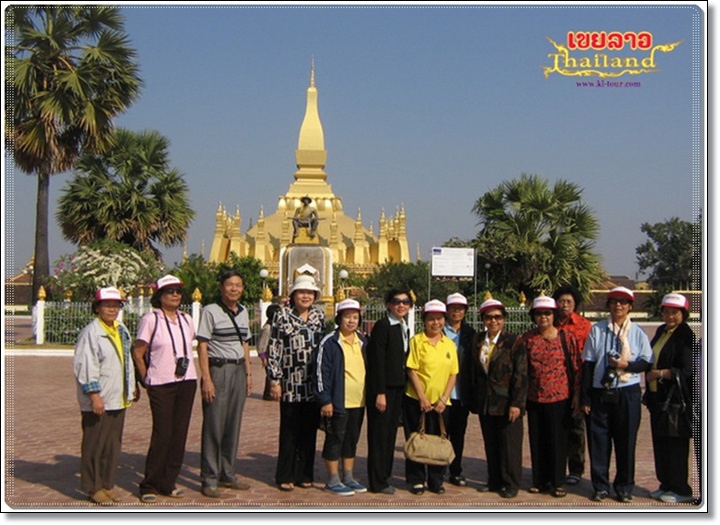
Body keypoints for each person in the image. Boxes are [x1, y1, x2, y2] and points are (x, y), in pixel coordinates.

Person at [581, 286, 653, 503]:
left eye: (623, 302)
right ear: (608, 306)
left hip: (627, 392)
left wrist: (626, 365)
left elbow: (645, 363)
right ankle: (600, 486)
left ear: (630, 306)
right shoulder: (597, 330)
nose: (618, 306)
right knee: (598, 441)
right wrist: (585, 397)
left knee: (626, 441)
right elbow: (589, 364)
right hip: (600, 392)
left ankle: (624, 487)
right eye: (614, 302)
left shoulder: (637, 333)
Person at [132, 274, 198, 503]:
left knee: (179, 434)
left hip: (187, 381)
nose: (175, 295)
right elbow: (138, 352)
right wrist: (145, 378)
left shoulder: (186, 319)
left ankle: (168, 482)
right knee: (162, 434)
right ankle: (149, 484)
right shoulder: (151, 319)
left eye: (178, 291)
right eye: (170, 291)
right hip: (160, 383)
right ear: (159, 296)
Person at [73, 287, 139, 504]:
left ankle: (106, 484)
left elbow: (126, 361)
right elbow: (86, 366)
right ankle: (93, 487)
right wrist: (94, 395)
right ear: (98, 307)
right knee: (95, 445)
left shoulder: (121, 329)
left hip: (117, 397)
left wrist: (132, 387)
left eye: (116, 305)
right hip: (100, 398)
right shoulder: (91, 333)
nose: (112, 309)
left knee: (112, 445)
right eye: (107, 305)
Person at [196, 270, 253, 498]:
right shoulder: (210, 311)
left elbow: (246, 344)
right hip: (218, 370)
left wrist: (249, 374)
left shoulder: (243, 312)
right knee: (214, 425)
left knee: (232, 424)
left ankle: (227, 473)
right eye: (229, 285)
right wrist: (206, 377)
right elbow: (202, 345)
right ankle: (209, 477)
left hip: (238, 369)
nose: (234, 289)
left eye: (238, 285)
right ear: (221, 287)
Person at [266, 274, 326, 491]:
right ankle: (285, 474)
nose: (306, 296)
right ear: (293, 295)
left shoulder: (319, 317)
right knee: (290, 430)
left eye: (309, 293)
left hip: (312, 383)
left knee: (309, 431)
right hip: (290, 382)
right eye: (301, 292)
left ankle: (304, 473)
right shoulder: (282, 316)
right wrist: (275, 380)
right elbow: (274, 348)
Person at [463, 298, 527, 499]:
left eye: (498, 317)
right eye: (489, 317)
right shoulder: (477, 340)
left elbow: (521, 375)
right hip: (486, 401)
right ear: (483, 319)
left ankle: (511, 483)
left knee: (510, 444)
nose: (493, 321)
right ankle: (494, 480)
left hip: (507, 401)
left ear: (504, 319)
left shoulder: (514, 342)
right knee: (491, 443)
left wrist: (517, 403)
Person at [522, 296, 582, 498]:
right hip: (535, 397)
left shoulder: (566, 337)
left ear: (554, 315)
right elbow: (523, 370)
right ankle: (539, 480)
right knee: (537, 440)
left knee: (558, 441)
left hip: (560, 397)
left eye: (547, 313)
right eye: (539, 314)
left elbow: (575, 367)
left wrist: (577, 395)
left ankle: (557, 482)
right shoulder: (528, 339)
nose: (543, 317)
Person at [644, 293, 696, 503]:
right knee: (661, 443)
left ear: (683, 314)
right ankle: (665, 483)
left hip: (674, 401)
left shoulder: (686, 336)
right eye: (666, 311)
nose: (670, 316)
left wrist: (661, 373)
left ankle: (681, 488)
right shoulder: (661, 331)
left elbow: (687, 370)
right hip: (658, 398)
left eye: (675, 312)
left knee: (675, 445)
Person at [403, 299, 458, 495]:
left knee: (438, 439)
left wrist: (444, 398)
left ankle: (436, 480)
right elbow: (412, 370)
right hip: (417, 400)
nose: (436, 323)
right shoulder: (417, 341)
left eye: (439, 319)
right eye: (431, 319)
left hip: (442, 402)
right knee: (417, 437)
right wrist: (422, 398)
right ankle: (416, 479)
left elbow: (453, 373)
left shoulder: (449, 344)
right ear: (424, 321)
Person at [315, 298, 368, 496]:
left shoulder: (363, 340)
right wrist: (325, 399)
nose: (351, 321)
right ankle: (332, 478)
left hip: (359, 400)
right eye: (347, 317)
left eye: (355, 317)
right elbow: (321, 372)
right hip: (338, 400)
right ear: (339, 318)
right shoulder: (330, 342)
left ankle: (348, 476)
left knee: (351, 439)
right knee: (335, 438)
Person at [365, 288, 413, 494]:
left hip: (398, 389)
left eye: (405, 302)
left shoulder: (403, 327)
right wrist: (380, 392)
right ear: (388, 305)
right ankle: (377, 481)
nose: (401, 305)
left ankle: (385, 476)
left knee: (390, 435)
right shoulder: (383, 326)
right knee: (379, 435)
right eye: (396, 301)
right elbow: (376, 362)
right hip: (383, 390)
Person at [553, 285, 593, 486]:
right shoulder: (550, 323)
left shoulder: (584, 326)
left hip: (577, 380)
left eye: (569, 301)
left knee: (577, 428)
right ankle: (555, 466)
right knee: (558, 427)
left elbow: (589, 357)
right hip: (553, 383)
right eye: (561, 301)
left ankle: (576, 468)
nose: (565, 305)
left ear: (575, 304)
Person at [443, 292, 476, 487]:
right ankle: (437, 471)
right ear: (447, 311)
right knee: (439, 434)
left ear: (465, 311)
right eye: (453, 308)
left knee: (458, 434)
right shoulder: (437, 330)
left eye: (460, 308)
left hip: (460, 393)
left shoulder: (470, 334)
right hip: (440, 394)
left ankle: (455, 471)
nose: (457, 311)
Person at [257, 303, 281, 401]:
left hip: (275, 355)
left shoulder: (276, 326)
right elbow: (262, 344)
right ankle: (268, 394)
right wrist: (263, 357)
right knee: (270, 376)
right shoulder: (268, 328)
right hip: (268, 355)